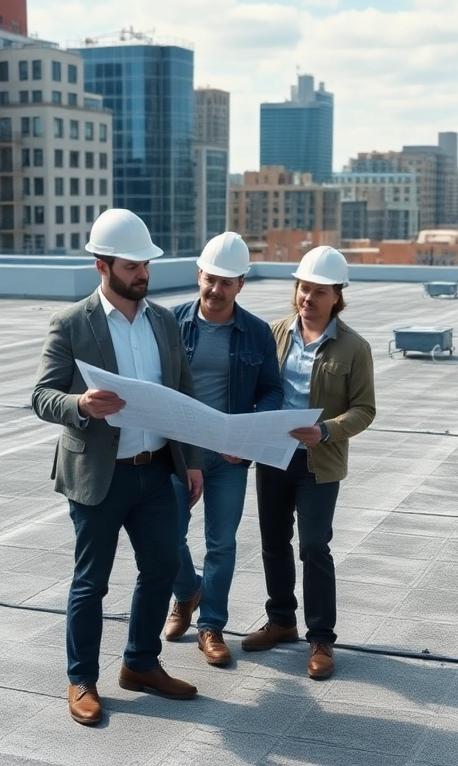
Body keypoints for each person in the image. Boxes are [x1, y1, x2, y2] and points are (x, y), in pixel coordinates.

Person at [31, 208, 204, 726]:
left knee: (163, 568)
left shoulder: (164, 321)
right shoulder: (71, 323)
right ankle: (82, 678)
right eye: (132, 266)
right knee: (92, 582)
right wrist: (81, 405)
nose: (143, 274)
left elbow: (184, 394)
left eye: (145, 265)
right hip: (99, 476)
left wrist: (192, 462)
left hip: (157, 471)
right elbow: (42, 396)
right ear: (102, 267)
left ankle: (140, 664)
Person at [239, 246, 376, 681]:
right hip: (274, 457)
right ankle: (281, 620)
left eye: (319, 291)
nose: (308, 298)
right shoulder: (273, 334)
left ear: (337, 296)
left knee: (314, 546)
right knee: (273, 542)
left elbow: (365, 409)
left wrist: (328, 430)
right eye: (303, 288)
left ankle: (321, 639)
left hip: (319, 462)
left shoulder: (354, 347)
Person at [162, 232, 283, 666]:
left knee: (221, 544)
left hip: (229, 457)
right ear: (199, 275)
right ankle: (186, 592)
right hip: (178, 453)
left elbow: (271, 391)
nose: (215, 289)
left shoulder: (256, 333)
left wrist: (246, 436)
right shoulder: (170, 323)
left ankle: (210, 626)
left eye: (226, 282)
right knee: (165, 537)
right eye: (210, 279)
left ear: (240, 285)